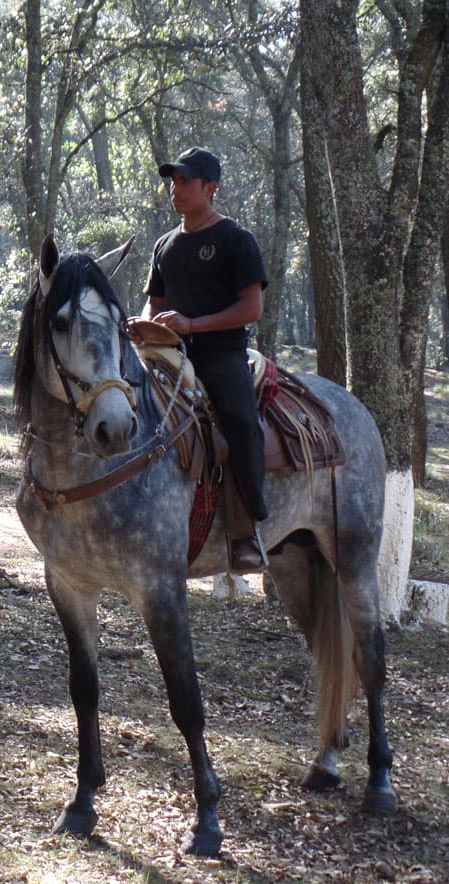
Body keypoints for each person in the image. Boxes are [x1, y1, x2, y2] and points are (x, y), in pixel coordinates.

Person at [139, 146, 270, 570]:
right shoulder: (163, 245)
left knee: (240, 422)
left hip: (220, 354)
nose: (175, 189)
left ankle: (248, 529)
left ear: (209, 188)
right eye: (172, 181)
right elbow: (152, 304)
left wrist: (192, 325)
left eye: (184, 181)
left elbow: (252, 309)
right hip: (165, 353)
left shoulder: (236, 240)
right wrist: (143, 326)